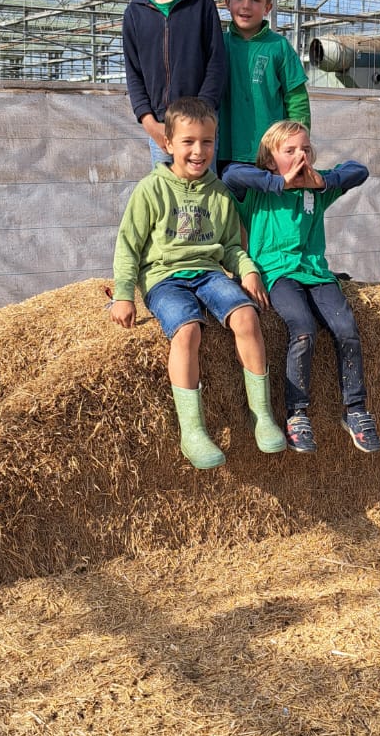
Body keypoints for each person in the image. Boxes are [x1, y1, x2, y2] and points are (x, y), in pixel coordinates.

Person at [109, 97, 286, 470]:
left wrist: (248, 270)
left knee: (247, 317)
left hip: (208, 272)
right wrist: (124, 295)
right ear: (168, 143)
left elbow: (233, 248)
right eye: (188, 141)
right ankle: (192, 430)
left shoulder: (220, 194)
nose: (198, 150)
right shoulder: (150, 190)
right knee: (187, 331)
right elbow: (128, 246)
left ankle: (262, 414)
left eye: (207, 141)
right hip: (164, 277)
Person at [223, 121, 380, 456]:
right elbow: (230, 175)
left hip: (317, 274)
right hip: (277, 274)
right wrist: (278, 182)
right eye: (290, 150)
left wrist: (322, 181)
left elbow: (360, 170)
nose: (301, 156)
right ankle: (297, 415)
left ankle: (355, 410)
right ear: (270, 160)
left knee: (346, 329)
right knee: (304, 328)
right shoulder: (258, 190)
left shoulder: (316, 188)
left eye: (306, 149)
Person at [122, 0, 226, 166]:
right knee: (166, 196)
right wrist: (149, 122)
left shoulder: (201, 4)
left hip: (200, 127)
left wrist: (203, 113)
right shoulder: (135, 13)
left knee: (204, 192)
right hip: (162, 127)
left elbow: (216, 62)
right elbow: (133, 74)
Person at [217, 0, 310, 168]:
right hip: (223, 149)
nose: (246, 6)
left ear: (268, 7)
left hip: (269, 155)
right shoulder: (218, 44)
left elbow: (296, 99)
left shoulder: (279, 47)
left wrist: (298, 145)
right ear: (226, 1)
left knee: (268, 200)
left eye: (255, 0)